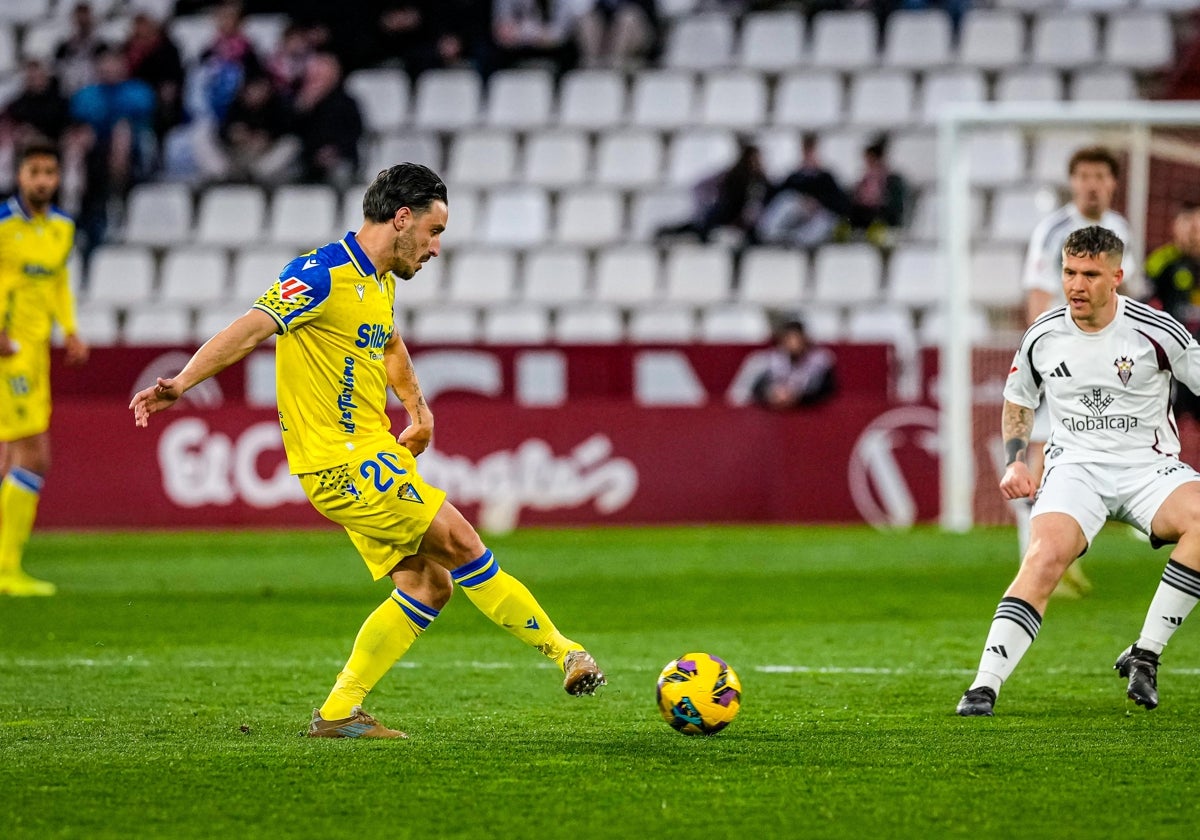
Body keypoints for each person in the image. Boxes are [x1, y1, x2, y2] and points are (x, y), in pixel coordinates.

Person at [129, 162, 605, 737]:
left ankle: (337, 714)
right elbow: (251, 327)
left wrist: (419, 411)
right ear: (402, 219)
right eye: (434, 232)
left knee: (429, 584)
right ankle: (567, 653)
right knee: (461, 541)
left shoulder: (377, 282)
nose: (434, 249)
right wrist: (181, 382)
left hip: (372, 454)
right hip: (341, 462)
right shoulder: (320, 273)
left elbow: (390, 345)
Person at [956, 226, 1200, 717]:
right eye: (1069, 272)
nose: (1076, 285)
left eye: (1090, 274)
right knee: (1044, 557)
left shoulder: (1158, 331)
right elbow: (1018, 401)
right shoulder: (1043, 335)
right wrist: (1015, 460)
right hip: (1076, 471)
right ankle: (984, 686)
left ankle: (1145, 653)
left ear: (1117, 276)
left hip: (1148, 468)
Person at [1017, 145, 1136, 597]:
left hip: (1107, 362)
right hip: (1062, 358)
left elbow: (1129, 296)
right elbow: (1037, 293)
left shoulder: (1121, 230)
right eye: (1083, 174)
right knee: (1045, 452)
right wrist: (1041, 353)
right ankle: (1039, 559)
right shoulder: (1054, 231)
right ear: (1073, 182)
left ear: (1112, 183)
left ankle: (1063, 554)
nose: (1091, 183)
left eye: (1099, 175)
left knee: (1094, 451)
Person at [0, 143, 89, 597]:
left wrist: (70, 330)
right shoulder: (3, 226)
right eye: (33, 171)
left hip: (36, 353)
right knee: (33, 454)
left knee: (13, 457)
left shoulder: (61, 228)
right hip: (6, 351)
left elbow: (57, 282)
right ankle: (6, 570)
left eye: (49, 172)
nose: (42, 180)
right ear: (19, 175)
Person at [1144, 204, 1200, 423]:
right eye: (1189, 227)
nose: (1194, 234)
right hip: (1172, 360)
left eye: (1198, 228)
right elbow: (1143, 308)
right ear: (1176, 228)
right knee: (1162, 423)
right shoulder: (1160, 262)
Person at [656, 141, 769, 245]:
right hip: (723, 217)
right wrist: (708, 202)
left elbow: (755, 209)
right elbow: (700, 187)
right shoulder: (730, 176)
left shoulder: (761, 181)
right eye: (754, 159)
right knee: (701, 229)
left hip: (743, 224)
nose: (757, 162)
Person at [756, 132, 850, 249]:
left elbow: (840, 204)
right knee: (786, 198)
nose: (808, 155)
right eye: (806, 150)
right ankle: (771, 234)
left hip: (817, 216)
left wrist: (817, 203)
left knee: (825, 218)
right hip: (795, 214)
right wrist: (801, 202)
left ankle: (798, 240)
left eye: (811, 151)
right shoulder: (795, 177)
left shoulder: (826, 177)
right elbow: (776, 197)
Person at [750, 319, 836, 409]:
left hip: (807, 412)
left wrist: (798, 396)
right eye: (789, 339)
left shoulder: (820, 360)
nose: (794, 344)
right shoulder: (771, 359)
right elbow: (758, 387)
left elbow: (826, 390)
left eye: (797, 339)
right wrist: (771, 394)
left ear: (804, 339)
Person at [845, 134, 907, 243]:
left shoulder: (887, 177)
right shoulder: (867, 177)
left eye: (869, 160)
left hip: (879, 214)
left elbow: (877, 198)